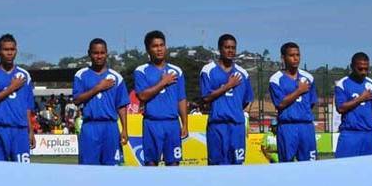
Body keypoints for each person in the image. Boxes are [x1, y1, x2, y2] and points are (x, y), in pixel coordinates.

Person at [134, 30, 188, 166]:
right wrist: (163, 82)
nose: (159, 49)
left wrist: (185, 124)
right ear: (148, 49)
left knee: (174, 164)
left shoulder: (177, 71)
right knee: (151, 164)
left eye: (161, 45)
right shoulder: (141, 71)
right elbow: (142, 96)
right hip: (152, 123)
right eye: (155, 46)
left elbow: (181, 99)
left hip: (172, 124)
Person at [73, 38, 129, 165]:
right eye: (95, 53)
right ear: (89, 53)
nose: (99, 56)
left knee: (112, 168)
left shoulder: (117, 77)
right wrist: (98, 88)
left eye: (102, 53)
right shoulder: (81, 75)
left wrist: (125, 129)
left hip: (111, 127)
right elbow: (76, 100)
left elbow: (121, 105)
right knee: (88, 169)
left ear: (107, 53)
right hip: (90, 126)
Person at [0, 33, 36, 162]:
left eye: (12, 49)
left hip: (20, 131)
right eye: (6, 50)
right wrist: (11, 88)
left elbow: (27, 106)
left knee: (23, 173)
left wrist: (30, 130)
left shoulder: (24, 75)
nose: (10, 53)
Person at [200, 33, 254, 165]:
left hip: (237, 126)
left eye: (233, 48)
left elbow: (246, 100)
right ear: (220, 49)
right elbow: (206, 98)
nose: (230, 51)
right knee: (216, 166)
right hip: (217, 125)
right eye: (227, 47)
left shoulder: (243, 73)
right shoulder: (208, 70)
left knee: (237, 165)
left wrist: (233, 110)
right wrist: (228, 86)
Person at [268, 42, 318, 162]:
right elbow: (280, 104)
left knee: (310, 166)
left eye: (298, 55)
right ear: (283, 58)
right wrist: (299, 91)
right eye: (291, 55)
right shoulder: (276, 79)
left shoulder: (308, 78)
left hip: (306, 127)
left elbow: (311, 103)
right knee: (286, 166)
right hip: (287, 127)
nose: (296, 58)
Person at [334, 52, 372, 158]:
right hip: (350, 134)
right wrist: (360, 99)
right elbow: (340, 108)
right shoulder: (342, 84)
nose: (364, 72)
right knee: (344, 168)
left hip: (369, 134)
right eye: (360, 69)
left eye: (366, 69)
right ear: (352, 67)